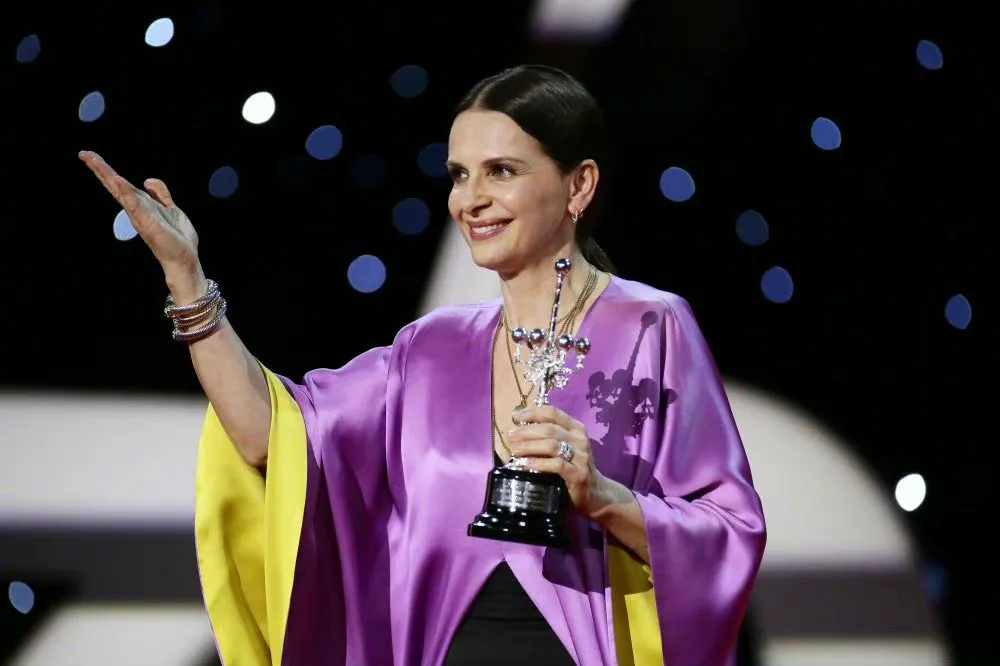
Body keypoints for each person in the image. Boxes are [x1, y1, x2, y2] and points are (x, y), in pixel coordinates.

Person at [80, 64, 765, 666]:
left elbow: (731, 534)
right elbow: (270, 436)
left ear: (579, 184)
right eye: (460, 174)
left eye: (502, 171)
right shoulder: (429, 350)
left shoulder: (652, 328)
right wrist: (187, 279)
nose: (470, 199)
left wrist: (605, 498)